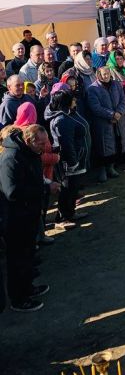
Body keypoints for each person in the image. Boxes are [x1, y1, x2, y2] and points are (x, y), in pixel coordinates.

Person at [0, 124, 60, 312]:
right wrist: (44, 189)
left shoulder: (31, 153)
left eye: (46, 142)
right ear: (28, 141)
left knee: (27, 255)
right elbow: (12, 191)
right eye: (41, 143)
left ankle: (28, 287)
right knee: (17, 258)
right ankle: (19, 298)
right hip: (16, 218)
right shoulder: (12, 158)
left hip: (29, 214)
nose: (45, 146)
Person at [44, 87, 90, 228]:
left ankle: (70, 212)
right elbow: (66, 143)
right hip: (69, 161)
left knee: (73, 187)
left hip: (78, 156)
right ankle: (63, 217)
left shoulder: (70, 113)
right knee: (67, 188)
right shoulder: (61, 120)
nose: (75, 100)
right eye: (72, 98)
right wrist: (72, 162)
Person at [86, 66, 125, 183]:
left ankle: (111, 167)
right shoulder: (92, 89)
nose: (106, 76)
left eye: (107, 73)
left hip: (118, 120)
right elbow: (95, 107)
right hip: (102, 123)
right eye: (103, 74)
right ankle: (102, 170)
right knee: (103, 146)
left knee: (115, 144)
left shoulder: (116, 84)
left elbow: (123, 100)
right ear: (98, 75)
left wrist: (119, 113)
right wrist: (111, 114)